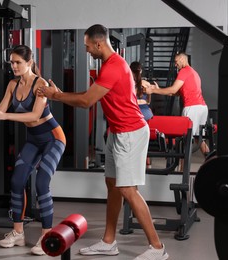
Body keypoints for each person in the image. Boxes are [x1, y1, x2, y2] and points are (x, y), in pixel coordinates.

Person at [39, 24, 168, 260]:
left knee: (127, 190)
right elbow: (89, 95)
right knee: (112, 184)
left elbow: (87, 101)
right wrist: (59, 92)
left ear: (99, 44)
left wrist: (54, 96)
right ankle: (109, 242)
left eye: (88, 47)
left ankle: (158, 248)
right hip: (117, 132)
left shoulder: (114, 66)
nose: (87, 50)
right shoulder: (108, 66)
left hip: (130, 132)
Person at [0, 45, 66, 256]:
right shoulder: (12, 85)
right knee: (16, 181)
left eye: (17, 62)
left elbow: (34, 116)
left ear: (29, 63)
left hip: (53, 138)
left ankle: (46, 234)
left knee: (42, 183)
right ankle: (18, 232)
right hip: (33, 139)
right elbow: (0, 111)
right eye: (11, 62)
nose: (13, 66)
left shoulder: (40, 85)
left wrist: (4, 116)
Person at [143, 52, 210, 157]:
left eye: (176, 62)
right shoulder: (193, 72)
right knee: (198, 138)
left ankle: (183, 171)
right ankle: (211, 159)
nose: (175, 65)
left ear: (182, 59)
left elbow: (173, 89)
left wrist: (153, 91)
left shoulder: (184, 71)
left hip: (192, 107)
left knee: (185, 140)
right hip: (202, 107)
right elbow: (175, 92)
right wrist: (158, 89)